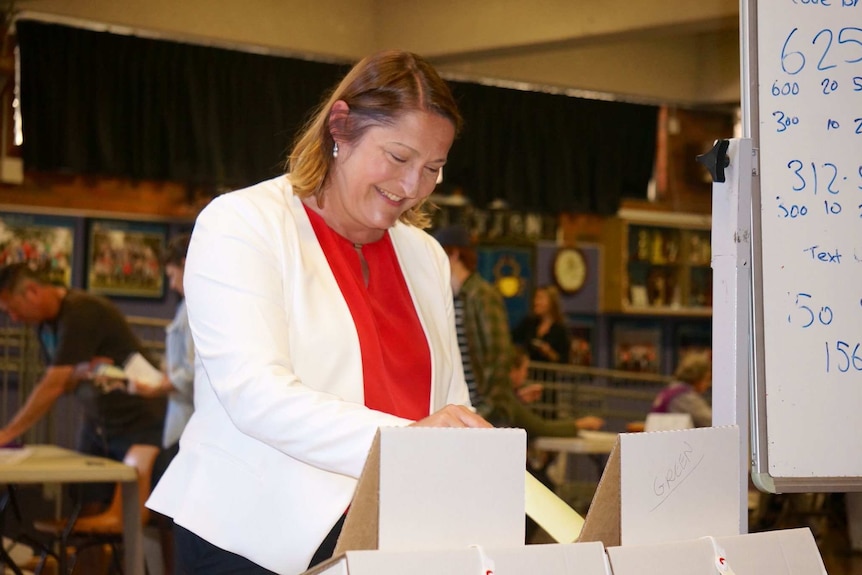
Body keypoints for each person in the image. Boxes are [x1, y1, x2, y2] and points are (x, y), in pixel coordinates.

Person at [146, 50, 491, 575]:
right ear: (341, 127)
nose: (411, 187)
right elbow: (256, 394)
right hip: (252, 538)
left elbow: (448, 402)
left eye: (433, 169)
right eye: (398, 158)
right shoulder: (243, 224)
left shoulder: (425, 256)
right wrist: (407, 442)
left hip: (388, 534)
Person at [0, 263, 166, 500]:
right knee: (82, 497)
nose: (14, 318)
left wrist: (8, 433)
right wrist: (77, 372)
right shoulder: (45, 326)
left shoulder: (81, 311)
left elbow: (53, 384)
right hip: (98, 423)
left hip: (137, 422)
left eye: (12, 310)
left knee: (138, 507)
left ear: (33, 292)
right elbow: (63, 382)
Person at [131, 232, 195, 478]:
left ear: (185, 264)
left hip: (188, 422)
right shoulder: (185, 306)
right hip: (180, 419)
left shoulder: (195, 307)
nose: (171, 285)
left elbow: (192, 372)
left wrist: (156, 388)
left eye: (171, 275)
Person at [432, 224, 512, 417]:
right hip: (463, 412)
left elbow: (499, 358)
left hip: (481, 412)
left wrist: (486, 411)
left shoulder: (482, 295)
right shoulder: (453, 297)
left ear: (454, 255)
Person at [650, 350, 712, 427]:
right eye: (707, 379)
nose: (707, 384)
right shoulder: (684, 397)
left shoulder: (671, 390)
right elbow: (710, 421)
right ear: (697, 377)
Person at [512, 285, 571, 364]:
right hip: (527, 373)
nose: (536, 302)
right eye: (535, 298)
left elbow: (565, 361)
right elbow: (511, 338)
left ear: (551, 303)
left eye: (540, 298)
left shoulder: (560, 330)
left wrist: (549, 353)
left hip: (549, 375)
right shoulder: (529, 323)